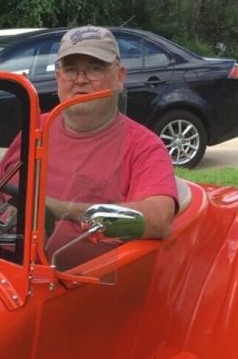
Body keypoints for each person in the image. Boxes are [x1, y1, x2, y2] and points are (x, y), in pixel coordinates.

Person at [43, 25, 178, 243]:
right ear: (58, 77)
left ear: (120, 77)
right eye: (70, 70)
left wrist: (59, 209)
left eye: (95, 68)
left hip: (80, 275)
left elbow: (158, 221)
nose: (80, 80)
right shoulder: (36, 129)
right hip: (2, 268)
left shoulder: (144, 146)